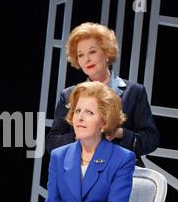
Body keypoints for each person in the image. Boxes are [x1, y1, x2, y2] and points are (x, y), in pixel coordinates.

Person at [46, 22, 159, 166]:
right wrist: (80, 135)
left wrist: (119, 133)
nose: (87, 59)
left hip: (123, 171)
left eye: (92, 52)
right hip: (81, 172)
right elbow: (52, 143)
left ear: (106, 52)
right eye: (81, 55)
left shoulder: (134, 92)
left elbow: (151, 139)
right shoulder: (69, 95)